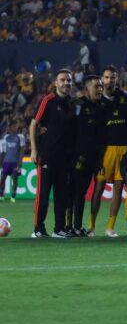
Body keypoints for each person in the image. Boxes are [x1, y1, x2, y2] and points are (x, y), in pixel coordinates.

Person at [30, 69, 75, 238]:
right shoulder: (48, 100)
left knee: (61, 196)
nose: (66, 83)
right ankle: (38, 229)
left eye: (69, 80)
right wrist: (34, 150)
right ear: (56, 83)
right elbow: (34, 124)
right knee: (42, 196)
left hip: (65, 158)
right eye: (62, 80)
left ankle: (59, 229)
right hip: (47, 156)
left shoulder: (73, 103)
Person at [90, 65, 127, 237]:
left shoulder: (125, 96)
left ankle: (110, 227)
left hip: (123, 149)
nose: (110, 80)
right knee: (98, 188)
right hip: (105, 150)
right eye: (107, 77)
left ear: (117, 79)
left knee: (118, 188)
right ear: (102, 79)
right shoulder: (98, 100)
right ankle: (91, 227)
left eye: (113, 77)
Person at [69, 76, 104, 236]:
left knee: (82, 192)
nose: (100, 90)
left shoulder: (99, 107)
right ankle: (67, 226)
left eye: (101, 87)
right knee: (73, 191)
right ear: (86, 89)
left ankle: (77, 226)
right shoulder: (78, 104)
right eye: (96, 86)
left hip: (92, 158)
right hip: (77, 157)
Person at [0, 122, 27, 203]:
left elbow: (22, 150)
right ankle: (1, 195)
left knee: (14, 179)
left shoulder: (20, 137)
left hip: (15, 162)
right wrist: (1, 162)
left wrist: (20, 162)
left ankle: (13, 196)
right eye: (13, 126)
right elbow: (3, 151)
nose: (15, 127)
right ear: (10, 127)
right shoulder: (6, 137)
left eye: (16, 126)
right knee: (2, 178)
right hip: (6, 162)